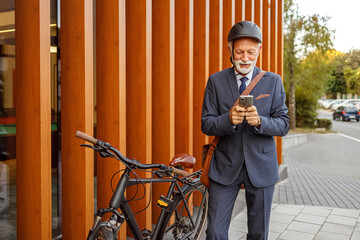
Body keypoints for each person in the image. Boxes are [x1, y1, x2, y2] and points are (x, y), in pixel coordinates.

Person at [201, 21, 290, 240]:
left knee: (259, 234)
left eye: (251, 52)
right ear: (229, 50)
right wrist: (227, 120)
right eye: (239, 51)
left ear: (260, 50)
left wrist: (261, 122)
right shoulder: (215, 81)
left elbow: (283, 124)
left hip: (261, 167)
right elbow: (206, 123)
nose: (245, 58)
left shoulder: (274, 81)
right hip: (224, 167)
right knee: (214, 232)